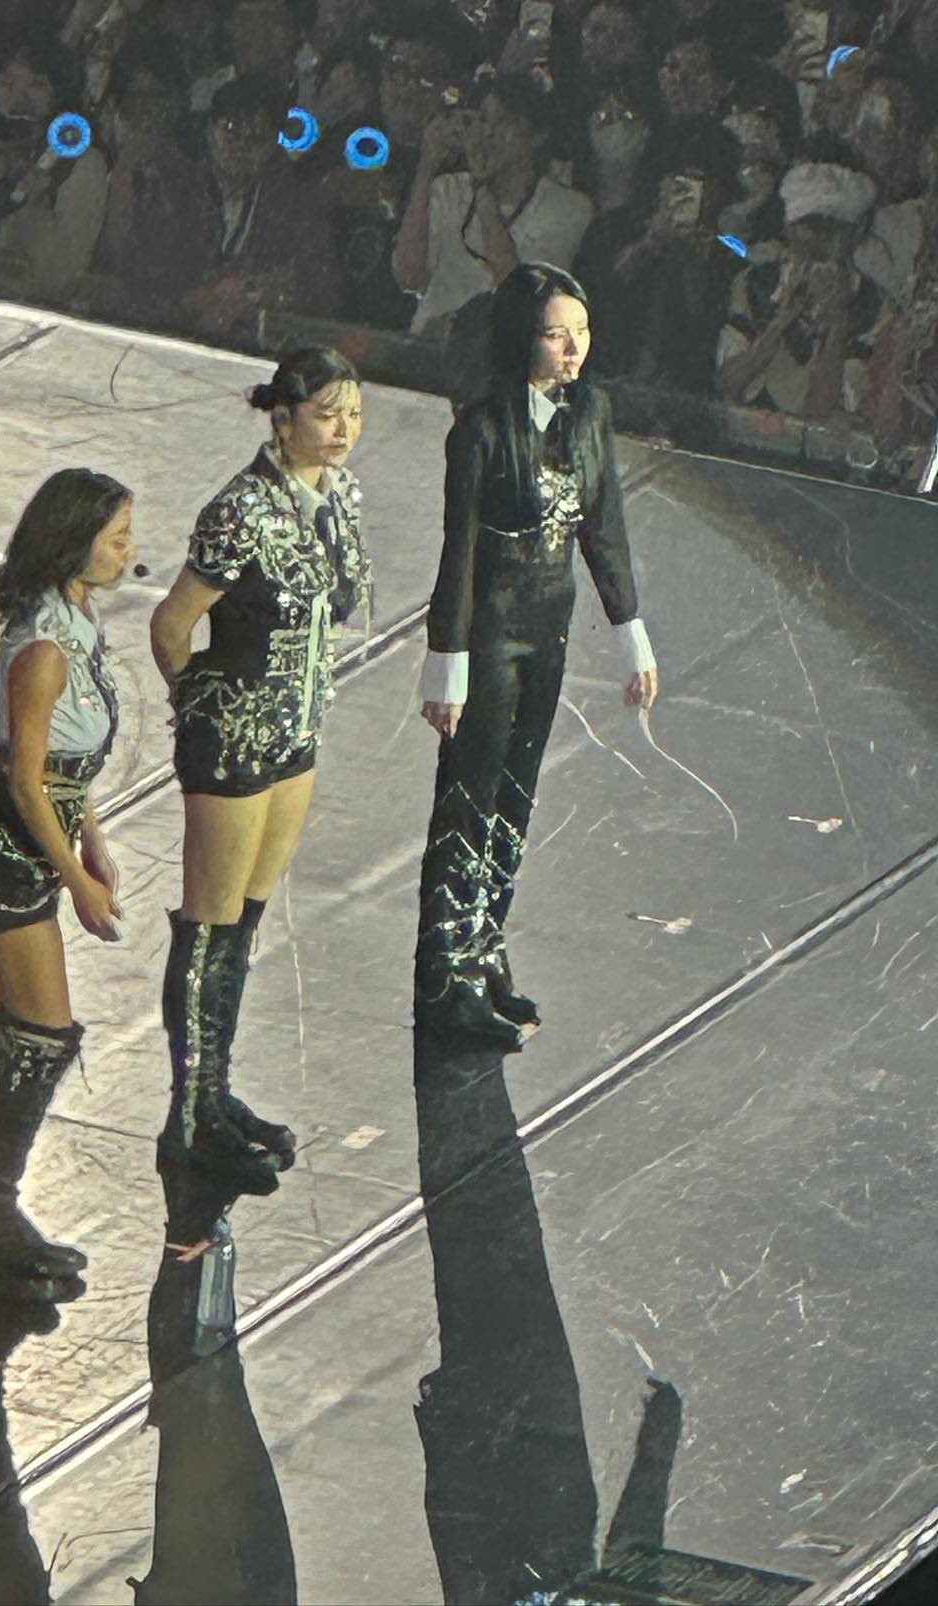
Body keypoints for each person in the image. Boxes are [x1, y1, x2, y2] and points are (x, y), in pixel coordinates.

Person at [417, 262, 659, 1049]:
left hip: (549, 628)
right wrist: (446, 659)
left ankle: (487, 948)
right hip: (490, 633)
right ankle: (446, 975)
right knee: (469, 798)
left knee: (515, 797)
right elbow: (459, 553)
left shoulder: (590, 414)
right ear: (524, 337)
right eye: (557, 335)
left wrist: (630, 633)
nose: (574, 349)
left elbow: (605, 528)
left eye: (581, 333)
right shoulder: (481, 429)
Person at [150, 347, 371, 1195]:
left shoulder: (339, 498)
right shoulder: (240, 510)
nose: (343, 430)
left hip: (297, 729)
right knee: (208, 923)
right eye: (326, 414)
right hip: (236, 736)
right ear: (283, 418)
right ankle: (189, 1117)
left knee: (243, 920)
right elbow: (172, 625)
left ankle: (215, 1093)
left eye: (353, 414)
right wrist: (199, 705)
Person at [0, 469, 133, 1285]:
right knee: (42, 1033)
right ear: (72, 544)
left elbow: (68, 769)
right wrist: (78, 879)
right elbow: (27, 780)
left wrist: (92, 840)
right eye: (116, 538)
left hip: (41, 838)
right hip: (13, 849)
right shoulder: (45, 650)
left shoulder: (76, 621)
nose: (129, 552)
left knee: (0, 1023)